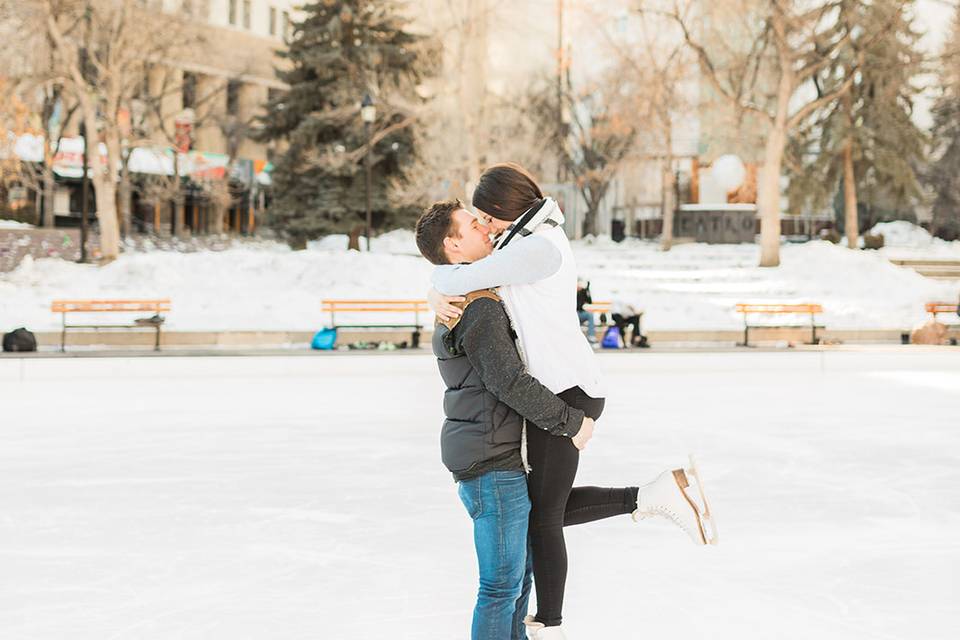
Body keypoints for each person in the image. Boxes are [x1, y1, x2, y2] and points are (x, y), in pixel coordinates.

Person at [426, 164, 718, 639]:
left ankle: (550, 624)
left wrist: (436, 289)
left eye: (488, 217)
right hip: (559, 388)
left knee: (540, 516)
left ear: (504, 210)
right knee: (539, 511)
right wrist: (438, 288)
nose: (486, 227)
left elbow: (461, 274)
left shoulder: (537, 248)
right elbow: (461, 269)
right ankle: (654, 496)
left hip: (565, 391)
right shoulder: (523, 241)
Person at [415, 199, 599, 640]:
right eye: (472, 224)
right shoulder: (477, 307)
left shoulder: (472, 293)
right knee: (501, 587)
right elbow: (508, 381)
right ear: (452, 244)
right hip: (491, 462)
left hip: (492, 454)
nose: (484, 227)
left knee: (516, 584)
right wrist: (570, 422)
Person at [576, 280, 597, 344]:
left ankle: (591, 336)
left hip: (580, 313)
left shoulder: (583, 292)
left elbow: (589, 301)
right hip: (573, 314)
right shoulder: (571, 292)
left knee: (590, 315)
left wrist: (587, 290)